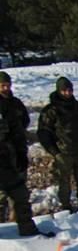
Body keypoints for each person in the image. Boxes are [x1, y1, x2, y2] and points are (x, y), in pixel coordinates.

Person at [38, 77, 78, 213]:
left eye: (70, 90)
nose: (67, 93)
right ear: (59, 91)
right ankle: (66, 207)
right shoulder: (51, 110)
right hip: (63, 152)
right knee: (64, 182)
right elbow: (44, 133)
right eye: (64, 91)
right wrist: (54, 151)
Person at [1, 98, 47, 237]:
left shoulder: (6, 106)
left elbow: (18, 131)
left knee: (21, 195)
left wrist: (20, 156)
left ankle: (28, 232)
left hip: (7, 170)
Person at [0, 71, 30, 223]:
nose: (5, 88)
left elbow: (25, 121)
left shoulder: (16, 103)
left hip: (18, 151)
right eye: (2, 86)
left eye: (8, 85)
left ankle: (16, 223)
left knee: (20, 192)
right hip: (2, 156)